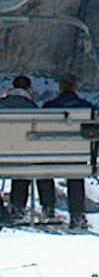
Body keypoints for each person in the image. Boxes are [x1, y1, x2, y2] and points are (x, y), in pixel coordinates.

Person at [0, 76, 56, 221]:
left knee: (19, 162)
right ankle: (46, 209)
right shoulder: (33, 109)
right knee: (28, 162)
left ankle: (16, 207)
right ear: (29, 89)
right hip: (23, 158)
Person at [45, 73, 92, 229]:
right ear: (76, 86)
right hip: (77, 156)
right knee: (76, 175)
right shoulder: (86, 107)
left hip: (51, 155)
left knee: (43, 171)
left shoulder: (48, 106)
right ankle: (76, 216)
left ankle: (48, 208)